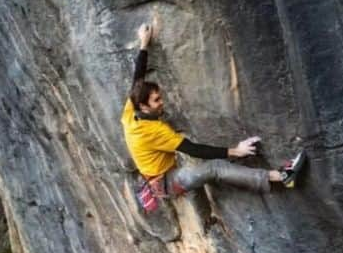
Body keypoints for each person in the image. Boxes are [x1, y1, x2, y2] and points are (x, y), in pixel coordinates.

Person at [122, 23, 305, 203]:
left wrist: (144, 44)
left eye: (160, 97)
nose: (162, 102)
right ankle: (281, 177)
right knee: (215, 168)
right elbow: (194, 149)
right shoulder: (153, 131)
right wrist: (236, 151)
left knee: (207, 169)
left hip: (159, 174)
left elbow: (137, 78)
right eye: (156, 100)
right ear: (144, 107)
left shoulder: (131, 111)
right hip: (166, 182)